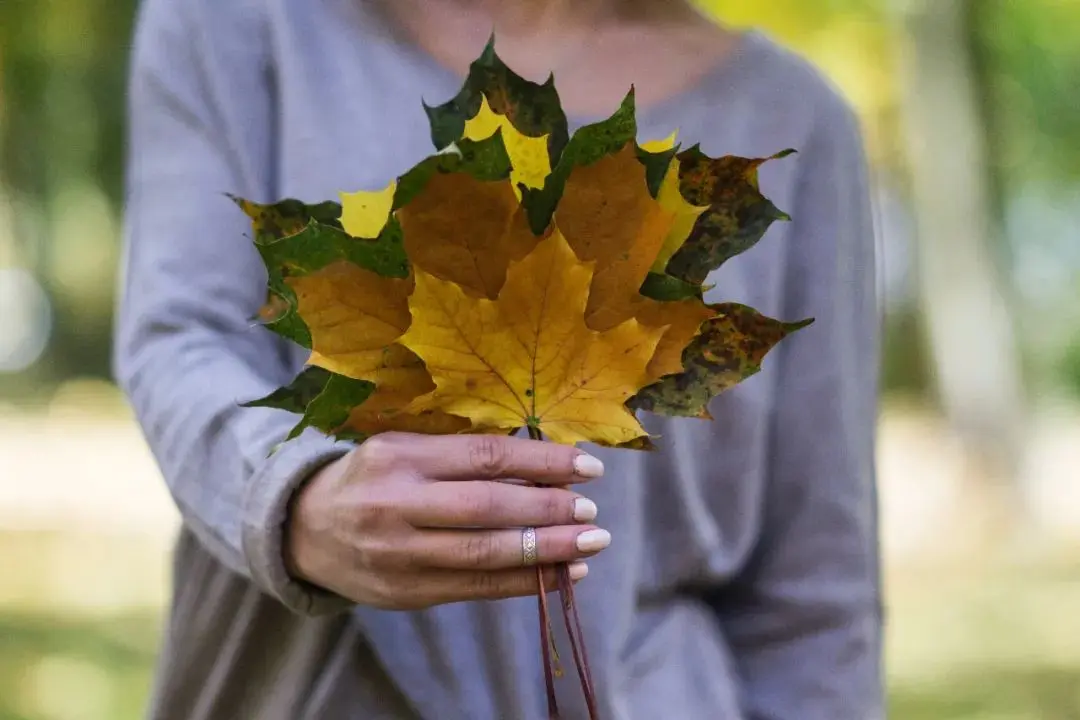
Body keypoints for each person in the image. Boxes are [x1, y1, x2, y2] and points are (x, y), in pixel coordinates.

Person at [114, 0, 882, 718]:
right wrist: (293, 505)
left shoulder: (794, 119)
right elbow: (181, 338)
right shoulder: (234, 24)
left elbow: (816, 593)